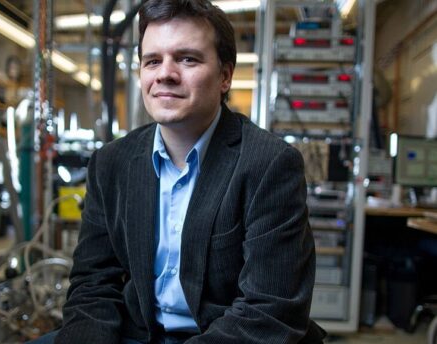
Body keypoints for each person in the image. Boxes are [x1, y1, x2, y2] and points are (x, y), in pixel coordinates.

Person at [39, 0, 326, 343]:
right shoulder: (111, 163)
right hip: (139, 332)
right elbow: (93, 283)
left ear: (225, 76)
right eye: (153, 61)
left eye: (187, 59)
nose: (165, 74)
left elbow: (270, 309)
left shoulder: (269, 164)